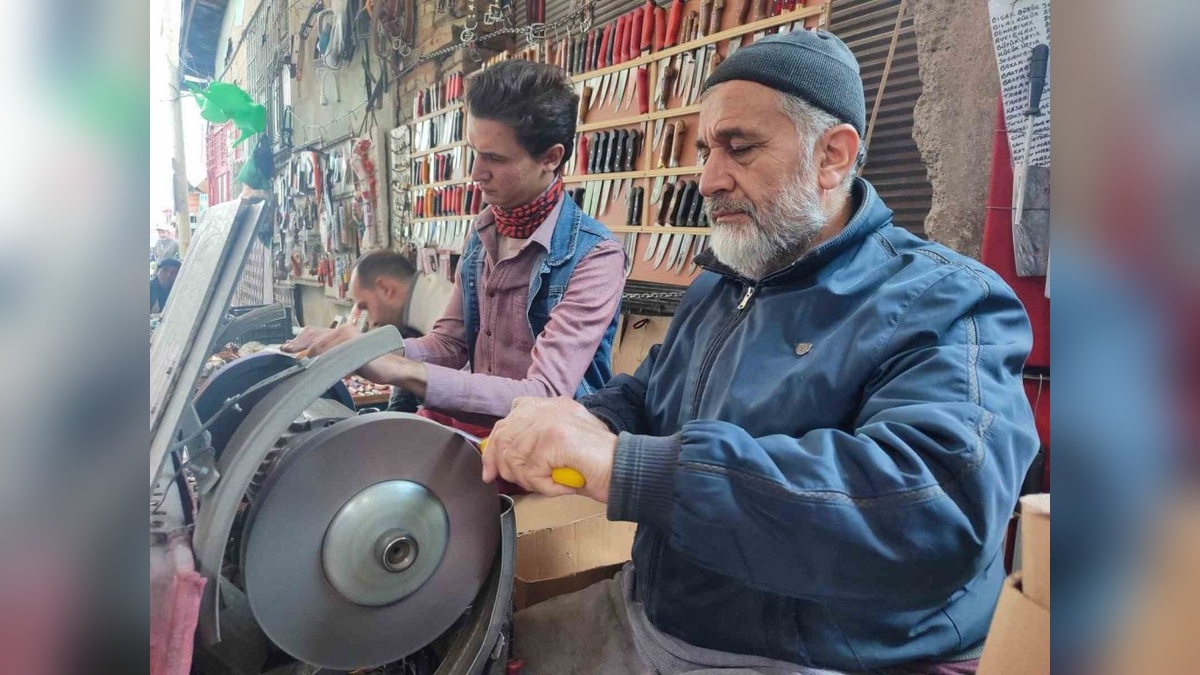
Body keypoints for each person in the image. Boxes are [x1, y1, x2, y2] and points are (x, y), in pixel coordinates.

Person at [481, 30, 1040, 674]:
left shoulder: (949, 301)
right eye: (705, 151)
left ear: (832, 155)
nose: (709, 179)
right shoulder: (726, 280)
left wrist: (626, 467)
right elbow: (651, 392)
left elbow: (937, 509)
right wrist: (588, 421)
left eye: (738, 148)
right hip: (662, 611)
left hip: (817, 654)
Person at [284, 59, 625, 432]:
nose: (476, 173)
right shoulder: (484, 234)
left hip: (554, 457)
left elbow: (543, 395)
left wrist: (402, 369)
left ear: (551, 157)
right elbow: (449, 344)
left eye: (494, 158)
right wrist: (367, 348)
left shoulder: (595, 257)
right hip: (486, 439)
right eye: (474, 151)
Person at [344, 249, 425, 412]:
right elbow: (403, 402)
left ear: (385, 289)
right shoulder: (410, 327)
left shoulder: (438, 319)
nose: (372, 321)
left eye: (365, 306)